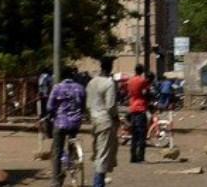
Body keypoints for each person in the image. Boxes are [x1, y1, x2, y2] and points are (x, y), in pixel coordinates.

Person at [47, 67, 86, 187]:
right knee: (71, 143)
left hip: (61, 123)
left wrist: (52, 114)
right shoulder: (80, 88)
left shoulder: (57, 88)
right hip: (76, 123)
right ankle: (71, 159)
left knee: (57, 151)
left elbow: (49, 107)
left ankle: (56, 181)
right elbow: (83, 105)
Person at [86, 57, 118, 187]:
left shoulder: (91, 82)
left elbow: (88, 105)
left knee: (98, 153)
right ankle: (98, 184)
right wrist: (116, 118)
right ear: (110, 68)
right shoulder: (109, 83)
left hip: (94, 120)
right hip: (105, 121)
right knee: (103, 156)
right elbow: (111, 106)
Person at [125, 65, 148, 163]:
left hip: (132, 108)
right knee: (142, 135)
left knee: (134, 135)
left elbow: (129, 93)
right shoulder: (142, 81)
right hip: (141, 108)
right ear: (142, 71)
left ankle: (133, 156)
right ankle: (140, 157)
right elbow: (145, 92)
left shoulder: (130, 81)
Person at [38, 69, 54, 138]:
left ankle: (44, 133)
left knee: (43, 116)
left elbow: (41, 87)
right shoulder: (47, 77)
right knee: (48, 115)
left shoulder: (42, 77)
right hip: (47, 97)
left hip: (44, 97)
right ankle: (48, 133)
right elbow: (49, 86)